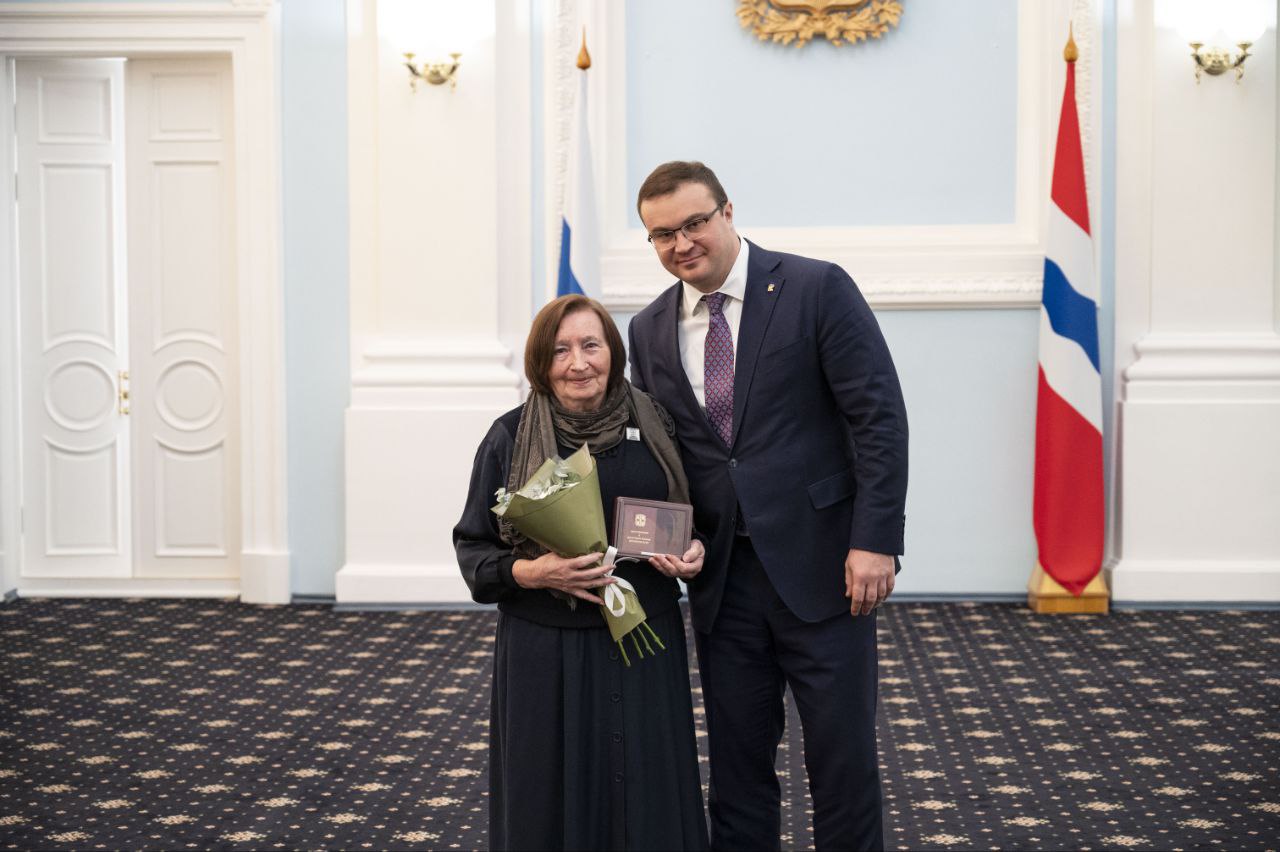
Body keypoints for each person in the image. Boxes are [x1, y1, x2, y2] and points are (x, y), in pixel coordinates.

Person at [628, 161, 909, 851]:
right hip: (723, 582)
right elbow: (663, 457)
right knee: (736, 770)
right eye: (662, 234)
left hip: (827, 569)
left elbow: (878, 419)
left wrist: (875, 540)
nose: (681, 243)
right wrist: (666, 540)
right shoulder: (648, 328)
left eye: (694, 223)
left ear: (728, 212)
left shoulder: (816, 288)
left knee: (841, 763)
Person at [453, 294, 710, 851]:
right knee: (546, 793)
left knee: (649, 788)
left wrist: (694, 552)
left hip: (645, 641)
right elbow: (473, 552)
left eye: (591, 345)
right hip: (546, 650)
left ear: (612, 352)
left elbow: (702, 518)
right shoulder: (509, 438)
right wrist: (534, 572)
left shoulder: (658, 423)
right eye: (559, 350)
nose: (578, 363)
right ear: (540, 363)